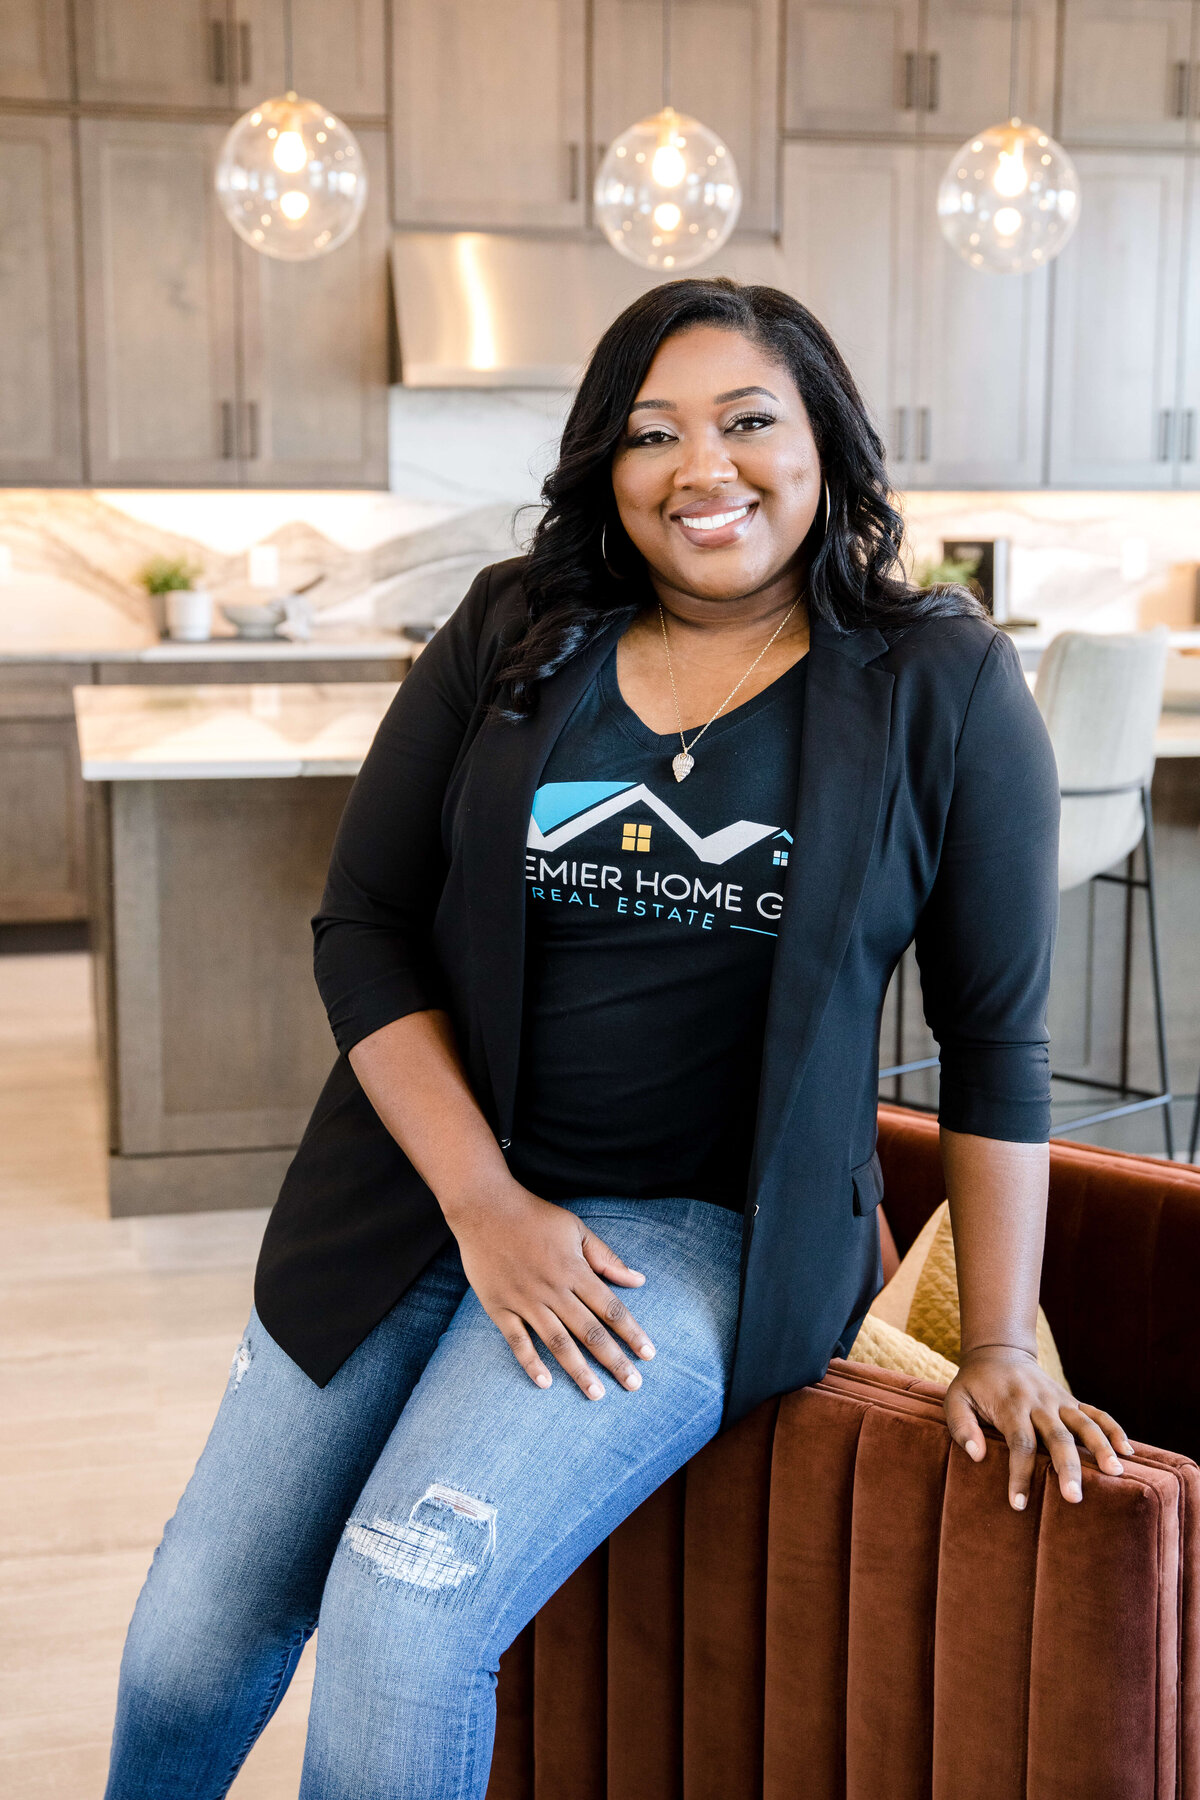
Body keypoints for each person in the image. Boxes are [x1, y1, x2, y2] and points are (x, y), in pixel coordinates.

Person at [104, 278, 1131, 1799]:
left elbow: (996, 1042)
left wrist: (995, 1346)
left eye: (746, 420)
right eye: (654, 433)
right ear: (609, 464)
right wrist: (486, 1208)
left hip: (692, 1230)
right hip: (415, 1192)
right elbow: (364, 925)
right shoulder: (521, 628)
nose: (701, 468)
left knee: (405, 1602)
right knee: (194, 1631)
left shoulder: (942, 684)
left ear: (825, 442)